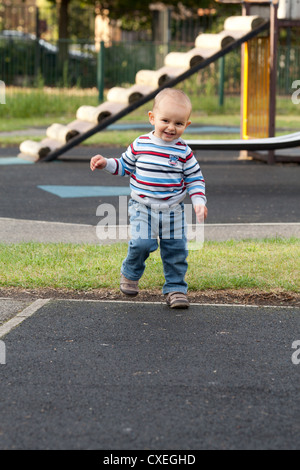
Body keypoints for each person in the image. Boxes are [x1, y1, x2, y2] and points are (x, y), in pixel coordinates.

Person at [90, 88, 207, 308]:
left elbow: (195, 179)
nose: (171, 127)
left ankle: (175, 289)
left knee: (176, 251)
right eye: (165, 120)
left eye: (179, 123)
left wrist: (199, 202)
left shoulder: (184, 151)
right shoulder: (141, 144)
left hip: (173, 211)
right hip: (142, 207)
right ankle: (130, 272)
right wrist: (106, 163)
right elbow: (124, 166)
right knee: (142, 243)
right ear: (152, 118)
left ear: (187, 125)